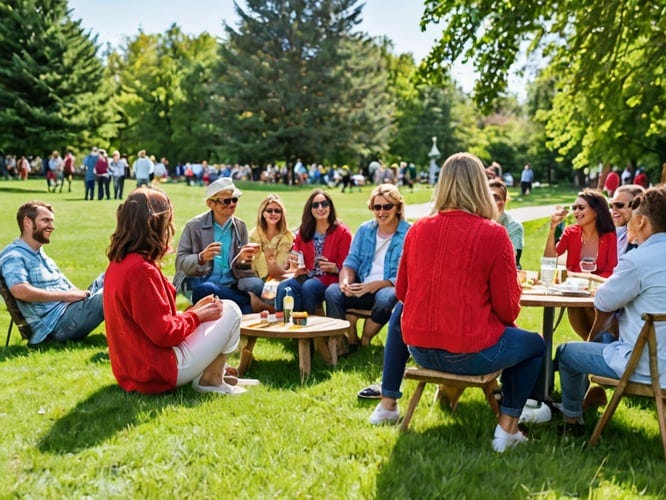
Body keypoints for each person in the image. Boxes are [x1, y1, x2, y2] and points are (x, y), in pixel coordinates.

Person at [370, 152, 545, 453]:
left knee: (402, 310)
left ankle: (388, 403)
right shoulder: (495, 234)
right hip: (470, 351)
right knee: (535, 344)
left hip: (421, 350)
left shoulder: (418, 229)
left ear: (442, 185)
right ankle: (507, 429)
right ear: (480, 185)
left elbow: (402, 291)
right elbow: (507, 310)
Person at [104, 188, 245, 395]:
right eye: (168, 222)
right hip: (156, 371)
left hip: (135, 368)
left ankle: (214, 373)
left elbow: (147, 321)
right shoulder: (140, 270)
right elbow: (163, 334)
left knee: (217, 309)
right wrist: (195, 316)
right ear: (155, 225)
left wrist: (192, 311)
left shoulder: (120, 263)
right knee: (231, 310)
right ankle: (211, 380)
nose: (170, 229)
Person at [556, 186, 666, 434]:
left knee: (566, 353)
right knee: (605, 338)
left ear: (641, 221)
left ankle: (572, 422)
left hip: (646, 366)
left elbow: (604, 302)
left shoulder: (638, 259)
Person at [0, 201, 104, 345]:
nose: (52, 226)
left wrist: (79, 295)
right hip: (54, 327)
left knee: (112, 274)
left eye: (51, 221)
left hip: (68, 311)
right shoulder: (14, 256)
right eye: (45, 220)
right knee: (111, 293)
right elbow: (19, 290)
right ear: (27, 222)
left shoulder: (39, 253)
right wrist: (68, 296)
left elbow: (68, 288)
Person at [325, 184, 409, 348]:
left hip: (388, 287)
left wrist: (376, 285)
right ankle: (347, 340)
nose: (381, 212)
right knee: (332, 292)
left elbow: (407, 273)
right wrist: (345, 282)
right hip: (362, 285)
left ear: (398, 208)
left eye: (387, 207)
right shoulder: (365, 230)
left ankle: (365, 340)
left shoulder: (409, 232)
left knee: (386, 298)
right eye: (377, 207)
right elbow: (351, 262)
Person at [174, 177, 263, 314]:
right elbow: (180, 263)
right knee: (206, 290)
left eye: (235, 199)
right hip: (201, 284)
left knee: (256, 287)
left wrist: (242, 259)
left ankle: (243, 306)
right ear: (211, 204)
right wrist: (201, 257)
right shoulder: (194, 226)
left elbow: (242, 270)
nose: (232, 204)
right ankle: (248, 303)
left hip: (231, 286)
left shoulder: (240, 226)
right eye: (226, 201)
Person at [544, 189, 617, 338]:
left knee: (597, 326)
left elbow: (611, 271)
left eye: (581, 207)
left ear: (596, 211)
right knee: (587, 333)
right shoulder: (570, 232)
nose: (576, 211)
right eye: (574, 208)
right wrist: (552, 229)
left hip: (598, 295)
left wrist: (577, 276)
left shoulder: (609, 236)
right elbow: (550, 258)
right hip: (575, 295)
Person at [275, 189, 352, 315]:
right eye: (315, 205)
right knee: (284, 288)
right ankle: (287, 329)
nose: (320, 208)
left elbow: (349, 264)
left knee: (309, 287)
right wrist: (294, 263)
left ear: (330, 207)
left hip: (331, 278)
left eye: (324, 204)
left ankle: (310, 328)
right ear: (310, 210)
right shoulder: (305, 231)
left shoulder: (342, 232)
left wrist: (335, 268)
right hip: (307, 276)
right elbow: (296, 253)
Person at [247, 194, 295, 311]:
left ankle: (267, 308)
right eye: (269, 210)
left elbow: (281, 268)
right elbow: (251, 265)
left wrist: (271, 262)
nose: (273, 214)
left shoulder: (288, 237)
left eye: (277, 211)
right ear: (263, 213)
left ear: (282, 214)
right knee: (252, 284)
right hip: (256, 276)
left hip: (279, 277)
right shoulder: (253, 236)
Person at [489, 179, 524, 268]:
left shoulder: (514, 226)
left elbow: (513, 259)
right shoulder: (477, 222)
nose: (492, 202)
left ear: (505, 201)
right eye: (488, 197)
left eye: (496, 198)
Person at [610, 184, 645, 255]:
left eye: (619, 205)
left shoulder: (643, 240)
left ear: (637, 205)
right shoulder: (615, 232)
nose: (613, 210)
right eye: (611, 206)